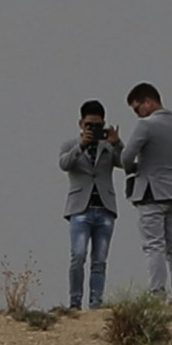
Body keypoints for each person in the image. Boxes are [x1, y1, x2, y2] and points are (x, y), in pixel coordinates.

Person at [118, 82, 172, 298]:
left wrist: (132, 168)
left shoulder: (146, 126)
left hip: (151, 193)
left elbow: (126, 157)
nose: (138, 114)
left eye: (137, 108)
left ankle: (157, 293)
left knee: (153, 246)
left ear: (148, 102)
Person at [57, 100, 124, 309]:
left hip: (104, 209)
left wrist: (117, 143)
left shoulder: (108, 147)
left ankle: (96, 303)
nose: (93, 130)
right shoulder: (70, 145)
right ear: (80, 124)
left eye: (97, 125)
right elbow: (64, 164)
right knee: (77, 256)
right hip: (80, 209)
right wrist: (81, 146)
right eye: (89, 125)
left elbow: (126, 163)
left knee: (100, 261)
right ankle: (75, 302)